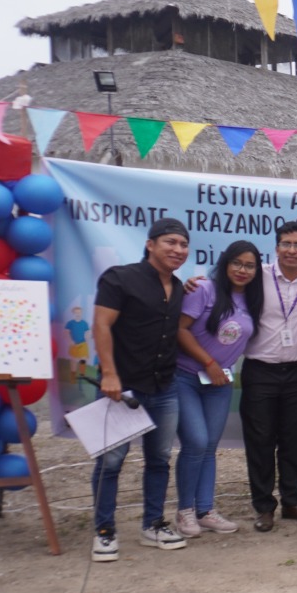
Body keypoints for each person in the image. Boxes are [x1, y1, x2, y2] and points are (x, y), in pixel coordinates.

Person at [89, 218, 191, 562]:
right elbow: (101, 325)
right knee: (111, 463)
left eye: (183, 244)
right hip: (121, 388)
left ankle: (153, 524)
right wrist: (109, 374)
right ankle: (104, 531)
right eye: (170, 242)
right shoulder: (119, 278)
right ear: (150, 245)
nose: (178, 250)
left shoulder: (178, 287)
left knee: (159, 460)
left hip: (164, 388)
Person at [172, 240, 261, 538]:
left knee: (209, 445)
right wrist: (208, 362)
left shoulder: (253, 299)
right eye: (237, 263)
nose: (242, 270)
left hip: (219, 383)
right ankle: (184, 511)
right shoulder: (203, 289)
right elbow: (180, 328)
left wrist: (216, 369)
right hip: (186, 377)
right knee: (196, 442)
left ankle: (205, 510)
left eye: (249, 266)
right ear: (225, 263)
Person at [241, 222, 297, 533]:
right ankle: (264, 507)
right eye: (286, 244)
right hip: (259, 370)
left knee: (294, 441)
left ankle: (293, 502)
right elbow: (222, 286)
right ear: (276, 248)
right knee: (260, 442)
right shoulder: (256, 276)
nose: (292, 250)